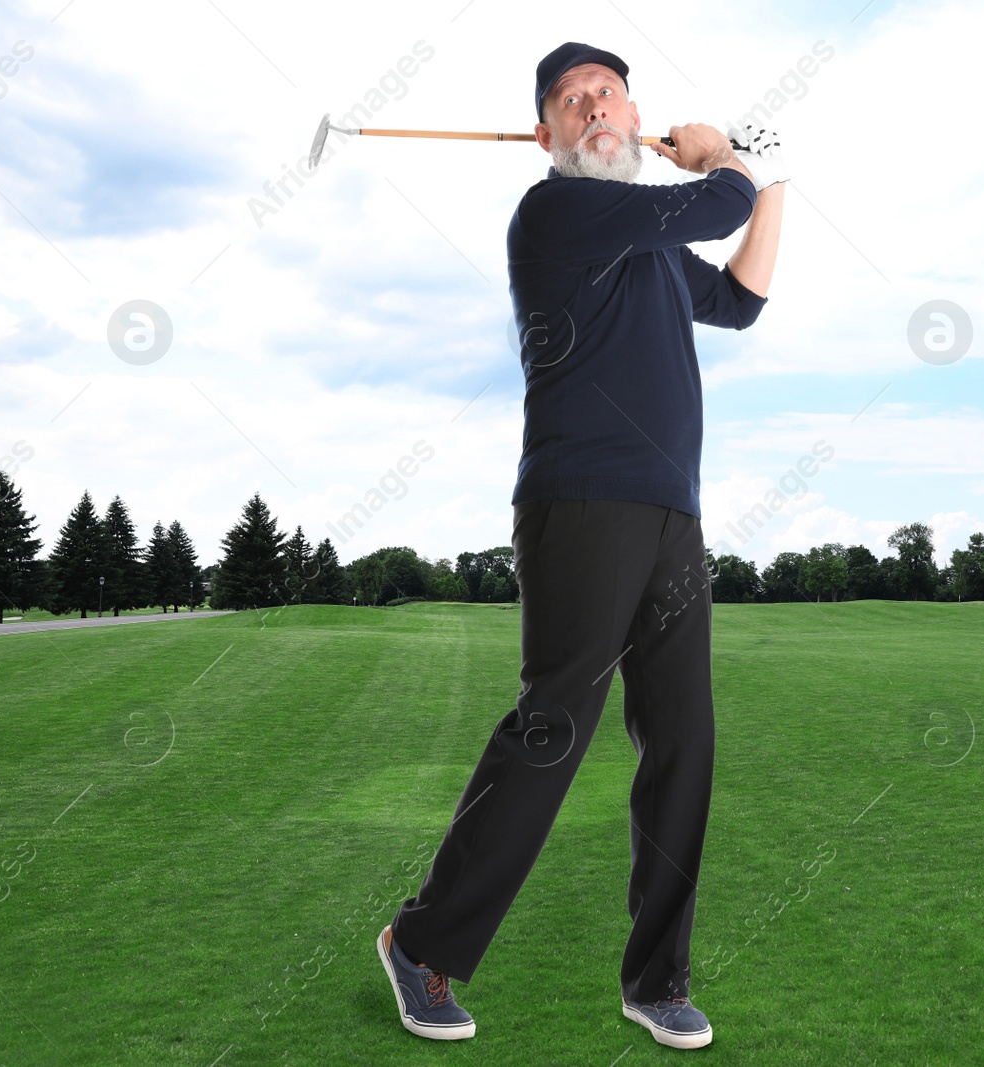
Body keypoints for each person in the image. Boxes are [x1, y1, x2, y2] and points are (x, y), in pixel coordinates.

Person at [375, 41, 786, 1050]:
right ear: (546, 135)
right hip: (579, 500)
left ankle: (658, 978)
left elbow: (738, 299)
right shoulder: (557, 211)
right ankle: (421, 943)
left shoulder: (644, 239)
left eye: (604, 92)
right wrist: (723, 161)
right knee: (554, 727)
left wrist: (769, 177)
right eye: (569, 100)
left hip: (671, 512)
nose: (590, 105)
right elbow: (711, 206)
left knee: (683, 740)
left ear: (631, 109)